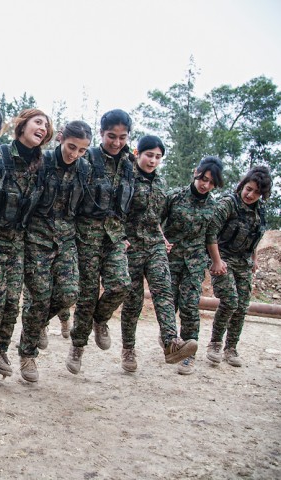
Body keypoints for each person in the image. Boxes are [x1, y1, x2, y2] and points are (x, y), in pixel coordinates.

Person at [0, 109, 52, 381]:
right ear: (21, 126)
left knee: (12, 302)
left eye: (46, 125)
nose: (42, 128)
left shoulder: (42, 164)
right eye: (37, 122)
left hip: (18, 239)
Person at [18, 120, 91, 382]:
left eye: (82, 150)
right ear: (60, 138)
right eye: (72, 146)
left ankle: (37, 324)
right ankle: (27, 354)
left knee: (69, 293)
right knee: (39, 297)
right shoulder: (42, 161)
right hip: (37, 237)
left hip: (67, 239)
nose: (74, 154)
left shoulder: (84, 169)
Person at [118, 135, 198, 373]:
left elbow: (156, 216)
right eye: (149, 155)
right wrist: (120, 237)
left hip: (154, 246)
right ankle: (128, 349)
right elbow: (116, 211)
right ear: (138, 153)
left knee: (164, 292)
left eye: (158, 157)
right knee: (133, 302)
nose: (153, 160)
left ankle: (171, 343)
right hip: (131, 247)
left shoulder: (161, 183)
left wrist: (162, 236)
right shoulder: (126, 178)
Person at [66, 109, 134, 375]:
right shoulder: (87, 160)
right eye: (111, 136)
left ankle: (101, 319)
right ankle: (77, 346)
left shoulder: (129, 164)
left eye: (122, 137)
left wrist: (126, 235)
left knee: (121, 285)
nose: (116, 142)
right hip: (86, 236)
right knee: (86, 295)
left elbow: (129, 204)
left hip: (115, 236)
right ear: (102, 133)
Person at [162, 155, 225, 375]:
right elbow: (155, 222)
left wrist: (216, 260)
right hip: (170, 259)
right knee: (169, 304)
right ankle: (171, 342)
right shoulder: (174, 197)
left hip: (195, 263)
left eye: (210, 182)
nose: (205, 184)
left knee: (189, 306)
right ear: (195, 173)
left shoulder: (214, 207)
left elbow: (211, 236)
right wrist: (162, 240)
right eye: (203, 178)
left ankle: (188, 353)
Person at [205, 165, 272, 367]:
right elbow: (210, 233)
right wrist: (216, 261)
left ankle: (231, 348)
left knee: (242, 307)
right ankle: (215, 343)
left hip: (243, 262)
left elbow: (256, 235)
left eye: (257, 192)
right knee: (230, 300)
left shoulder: (260, 211)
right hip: (222, 256)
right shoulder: (228, 204)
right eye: (249, 189)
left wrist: (255, 258)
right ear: (242, 185)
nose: (251, 195)